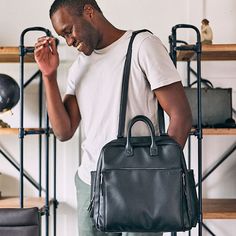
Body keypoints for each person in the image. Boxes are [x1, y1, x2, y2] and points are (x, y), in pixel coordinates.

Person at [34, 0, 192, 235]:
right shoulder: (80, 66)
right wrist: (49, 75)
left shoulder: (142, 46)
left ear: (89, 12)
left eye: (69, 31)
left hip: (139, 184)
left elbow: (181, 116)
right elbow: (63, 131)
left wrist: (159, 177)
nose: (69, 41)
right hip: (91, 184)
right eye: (63, 36)